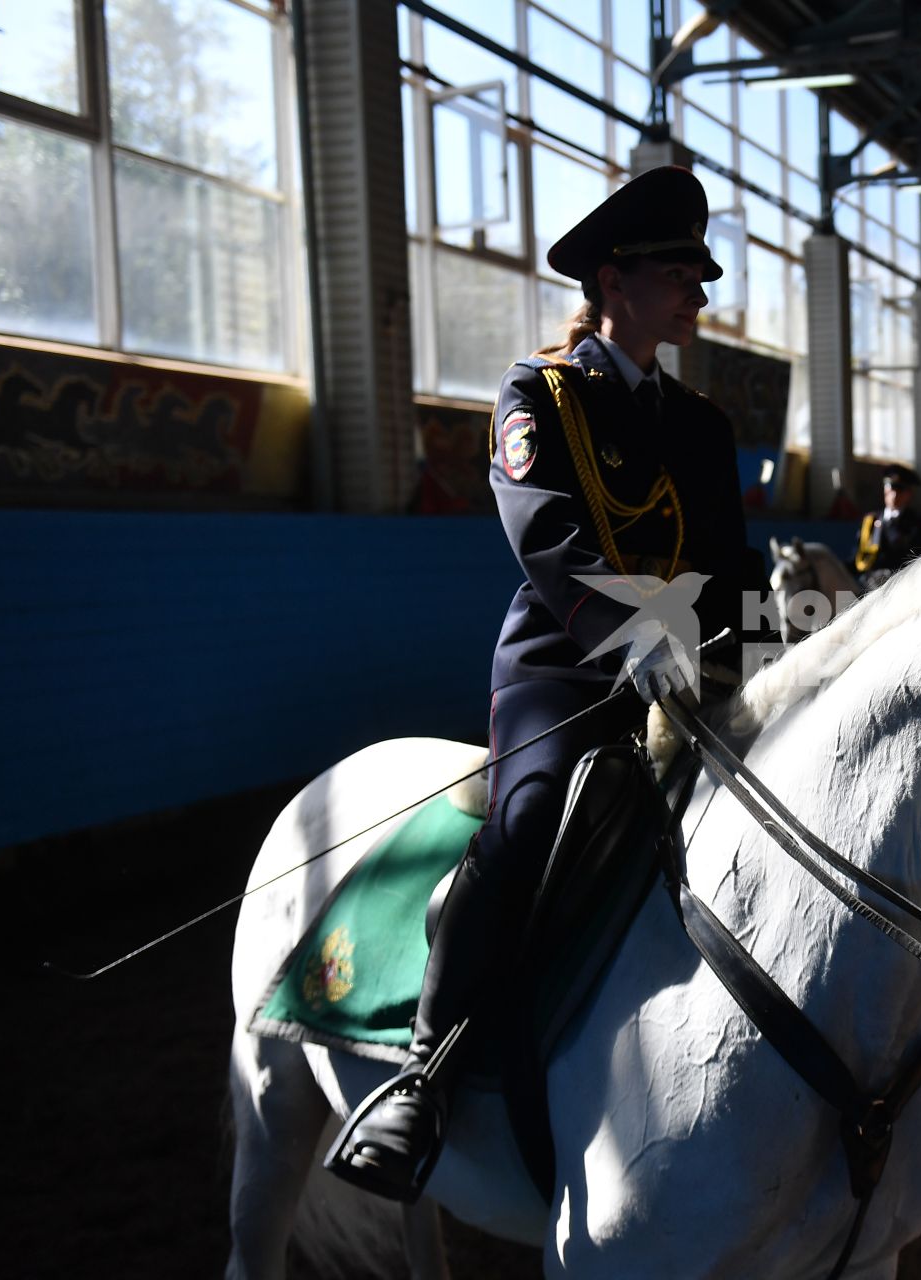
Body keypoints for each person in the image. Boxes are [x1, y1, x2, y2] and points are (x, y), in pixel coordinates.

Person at [326, 166, 750, 1201]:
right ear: (614, 279)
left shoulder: (702, 424)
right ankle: (424, 1074)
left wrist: (770, 649)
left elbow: (731, 564)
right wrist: (636, 629)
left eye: (702, 268)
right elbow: (547, 537)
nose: (700, 287)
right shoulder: (540, 395)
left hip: (690, 668)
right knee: (526, 823)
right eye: (678, 268)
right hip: (567, 667)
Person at [854, 463, 921, 585]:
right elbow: (858, 556)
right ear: (885, 489)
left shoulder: (917, 523)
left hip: (900, 585)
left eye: (900, 490)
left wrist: (888, 526)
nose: (894, 494)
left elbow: (915, 558)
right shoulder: (871, 520)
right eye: (891, 488)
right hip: (869, 584)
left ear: (909, 494)